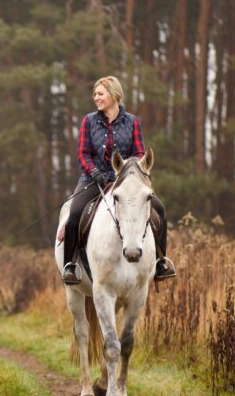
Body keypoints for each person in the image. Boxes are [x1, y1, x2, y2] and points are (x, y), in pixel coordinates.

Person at [60, 76, 176, 285]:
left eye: (100, 93)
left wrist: (123, 173)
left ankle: (160, 262)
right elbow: (82, 154)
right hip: (92, 179)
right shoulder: (89, 121)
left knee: (159, 210)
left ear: (114, 95)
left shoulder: (132, 122)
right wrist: (95, 171)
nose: (96, 98)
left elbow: (139, 153)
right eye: (95, 94)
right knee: (75, 213)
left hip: (125, 181)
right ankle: (70, 265)